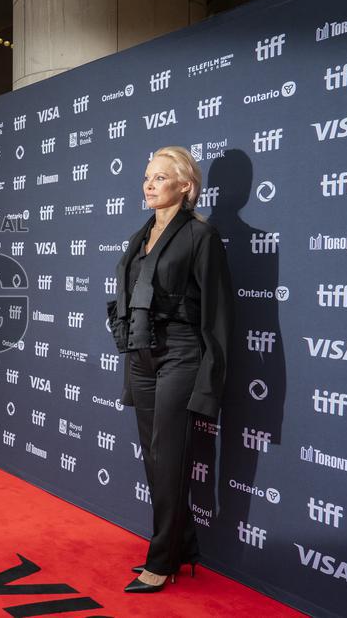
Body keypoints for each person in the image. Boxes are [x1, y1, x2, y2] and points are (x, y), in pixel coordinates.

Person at [109, 146, 233, 593]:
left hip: (181, 354)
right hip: (142, 356)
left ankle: (160, 561)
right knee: (156, 459)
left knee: (170, 460)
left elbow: (217, 315)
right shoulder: (139, 236)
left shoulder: (201, 236)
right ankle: (182, 547)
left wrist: (208, 385)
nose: (149, 184)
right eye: (147, 177)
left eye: (160, 178)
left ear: (186, 185)